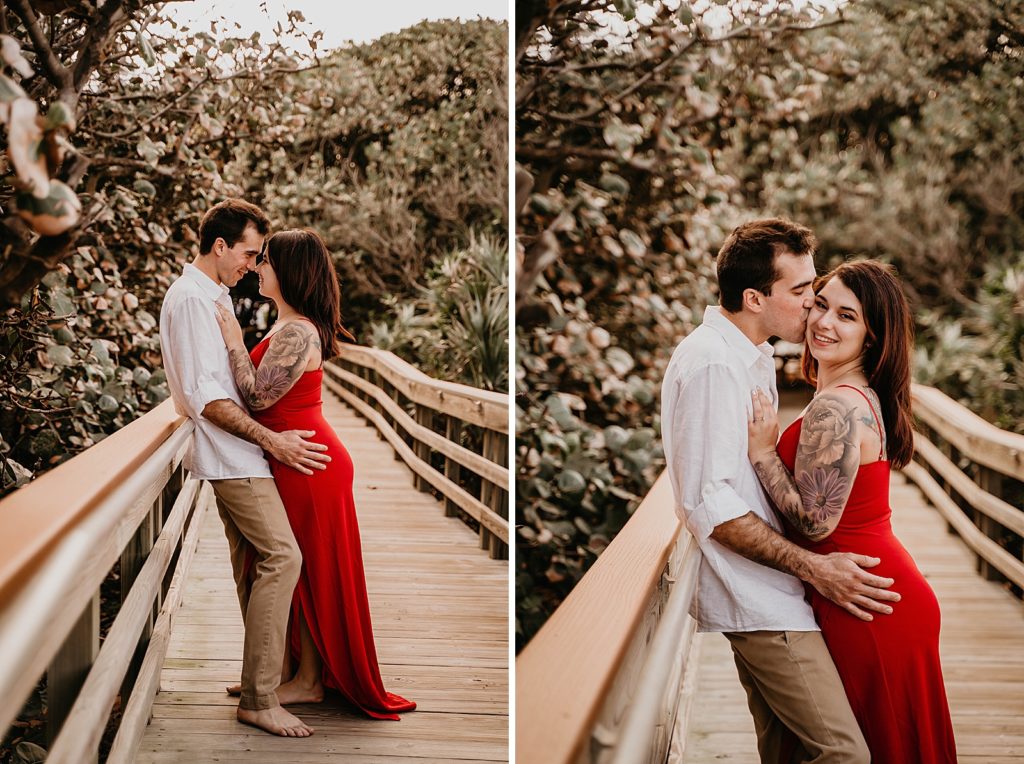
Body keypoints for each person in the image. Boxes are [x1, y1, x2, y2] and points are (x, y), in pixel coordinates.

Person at [660, 218, 901, 763]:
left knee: (786, 753)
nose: (812, 303)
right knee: (844, 754)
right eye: (800, 291)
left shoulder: (752, 357)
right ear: (754, 296)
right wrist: (816, 568)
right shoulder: (714, 365)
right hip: (761, 600)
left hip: (780, 591)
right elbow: (710, 505)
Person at [746, 259, 957, 762]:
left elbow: (816, 523)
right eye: (820, 304)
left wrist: (761, 453)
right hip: (872, 588)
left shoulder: (835, 407)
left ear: (872, 336)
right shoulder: (862, 396)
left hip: (865, 600)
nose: (823, 323)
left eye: (847, 316)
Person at [213, 228, 416, 720]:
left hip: (309, 462)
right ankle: (294, 676)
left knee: (308, 569)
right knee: (297, 569)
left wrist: (234, 340)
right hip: (292, 456)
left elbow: (258, 397)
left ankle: (308, 682)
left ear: (289, 271)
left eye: (266, 261)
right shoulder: (290, 327)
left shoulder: (299, 331)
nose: (258, 267)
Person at [159, 198, 331, 738]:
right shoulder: (191, 300)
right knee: (283, 557)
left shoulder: (211, 299)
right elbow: (206, 396)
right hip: (233, 455)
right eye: (250, 254)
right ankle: (260, 696)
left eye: (260, 259)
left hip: (240, 452)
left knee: (255, 565)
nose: (252, 266)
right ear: (220, 246)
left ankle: (268, 673)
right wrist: (271, 442)